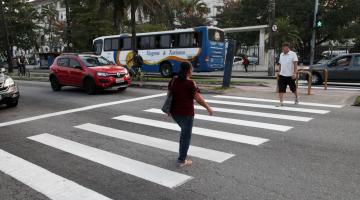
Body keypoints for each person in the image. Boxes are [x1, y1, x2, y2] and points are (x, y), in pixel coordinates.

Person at [168, 62, 213, 167]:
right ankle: (181, 160)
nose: (192, 71)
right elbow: (198, 98)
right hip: (187, 114)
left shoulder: (173, 80)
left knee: (184, 134)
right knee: (185, 137)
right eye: (192, 69)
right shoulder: (190, 83)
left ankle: (182, 156)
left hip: (175, 113)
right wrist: (208, 108)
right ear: (189, 71)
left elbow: (169, 94)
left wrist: (169, 109)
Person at [278, 42, 299, 106]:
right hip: (282, 75)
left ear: (287, 48)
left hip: (290, 75)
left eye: (284, 48)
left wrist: (294, 73)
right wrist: (279, 72)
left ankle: (296, 97)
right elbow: (280, 64)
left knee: (293, 89)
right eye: (282, 48)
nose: (283, 50)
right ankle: (281, 102)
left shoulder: (293, 54)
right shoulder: (281, 54)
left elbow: (295, 65)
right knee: (281, 89)